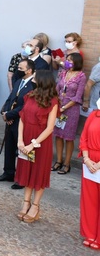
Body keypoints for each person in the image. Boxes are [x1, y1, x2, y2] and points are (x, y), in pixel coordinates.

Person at [15, 70, 59, 223]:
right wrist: (20, 140)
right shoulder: (30, 95)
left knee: (38, 173)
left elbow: (50, 128)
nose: (32, 79)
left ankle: (35, 206)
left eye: (35, 77)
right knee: (27, 170)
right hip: (26, 137)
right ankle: (25, 202)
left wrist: (33, 145)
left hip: (41, 142)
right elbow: (22, 118)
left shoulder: (53, 101)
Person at [0, 59, 35, 190]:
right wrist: (5, 111)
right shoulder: (18, 81)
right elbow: (11, 97)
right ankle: (8, 172)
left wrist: (10, 115)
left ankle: (22, 178)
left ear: (29, 70)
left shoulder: (33, 85)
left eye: (21, 68)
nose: (18, 70)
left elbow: (25, 105)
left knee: (21, 150)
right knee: (9, 146)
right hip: (10, 118)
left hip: (22, 121)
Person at [52, 52, 86, 175]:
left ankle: (67, 163)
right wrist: (57, 102)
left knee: (68, 137)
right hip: (60, 106)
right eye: (67, 59)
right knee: (58, 135)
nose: (67, 62)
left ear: (76, 62)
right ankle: (58, 161)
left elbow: (78, 97)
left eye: (70, 60)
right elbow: (57, 89)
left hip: (71, 110)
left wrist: (65, 107)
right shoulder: (63, 73)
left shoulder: (81, 76)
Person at [79, 95, 100, 248]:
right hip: (89, 162)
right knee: (89, 200)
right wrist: (86, 158)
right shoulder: (94, 114)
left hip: (98, 164)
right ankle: (90, 233)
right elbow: (84, 137)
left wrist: (98, 165)